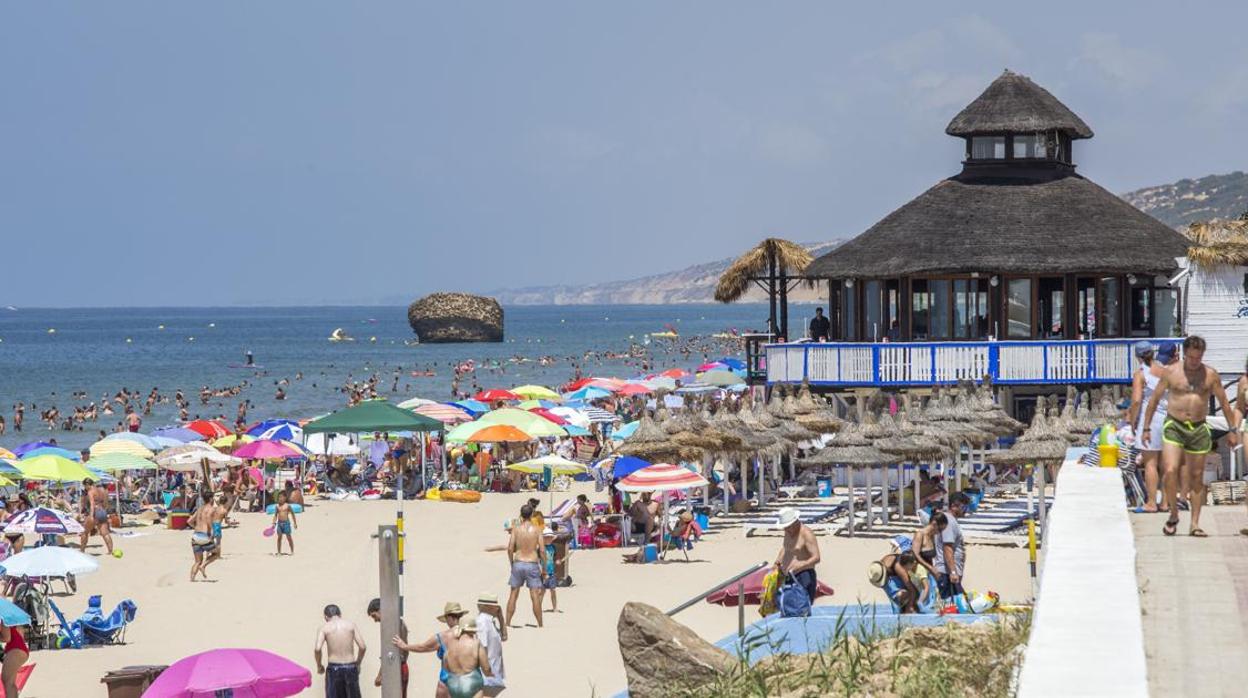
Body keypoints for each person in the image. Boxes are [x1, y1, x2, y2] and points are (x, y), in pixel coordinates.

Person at [1143, 335, 1241, 537]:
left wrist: (1233, 431)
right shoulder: (1171, 372)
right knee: (1170, 470)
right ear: (1184, 354)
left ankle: (1195, 523)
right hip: (1174, 425)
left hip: (1198, 428)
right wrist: (1145, 428)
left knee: (1197, 477)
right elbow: (1153, 401)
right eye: (1191, 358)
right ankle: (1173, 513)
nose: (1195, 362)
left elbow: (1224, 403)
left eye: (1198, 358)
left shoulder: (1210, 375)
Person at [1128, 341, 1174, 512]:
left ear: (1138, 357)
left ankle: (1152, 502)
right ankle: (1166, 503)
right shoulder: (1166, 372)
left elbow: (1137, 401)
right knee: (1166, 464)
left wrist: (1133, 421)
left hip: (1151, 420)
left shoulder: (1140, 374)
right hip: (1168, 419)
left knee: (1150, 463)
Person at [394, 601, 466, 698]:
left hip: (447, 679)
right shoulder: (470, 635)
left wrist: (404, 646)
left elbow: (423, 647)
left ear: (449, 617)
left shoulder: (443, 636)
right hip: (466, 680)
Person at [504, 504, 547, 629]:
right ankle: (540, 624)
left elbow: (510, 548)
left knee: (513, 594)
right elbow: (543, 551)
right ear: (532, 514)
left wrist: (512, 563)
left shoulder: (516, 529)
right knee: (534, 595)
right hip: (532, 562)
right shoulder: (537, 529)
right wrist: (543, 568)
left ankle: (508, 623)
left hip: (519, 562)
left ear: (521, 514)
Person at [315, 604, 367, 698]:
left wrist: (319, 665)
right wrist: (358, 663)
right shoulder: (351, 625)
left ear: (326, 616)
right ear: (340, 614)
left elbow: (317, 649)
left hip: (334, 668)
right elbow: (362, 647)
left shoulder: (324, 628)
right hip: (351, 666)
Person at [773, 507, 821, 604]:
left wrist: (801, 564)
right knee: (787, 607)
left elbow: (816, 557)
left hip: (803, 575)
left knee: (801, 607)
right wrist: (777, 562)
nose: (785, 529)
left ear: (795, 522)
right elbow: (785, 548)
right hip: (787, 576)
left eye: (787, 526)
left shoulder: (806, 534)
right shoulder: (788, 531)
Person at [367, 598, 409, 697]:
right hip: (400, 666)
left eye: (374, 616)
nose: (375, 620)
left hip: (396, 667)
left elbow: (391, 654)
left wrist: (380, 675)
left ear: (381, 610)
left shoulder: (393, 626)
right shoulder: (398, 623)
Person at [934, 493, 968, 599]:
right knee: (954, 604)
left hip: (950, 572)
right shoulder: (949, 521)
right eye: (964, 507)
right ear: (954, 506)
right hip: (946, 572)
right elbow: (947, 547)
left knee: (955, 603)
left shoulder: (951, 521)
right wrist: (953, 572)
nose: (966, 510)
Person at [475, 593, 507, 696]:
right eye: (496, 605)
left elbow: (504, 637)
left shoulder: (490, 621)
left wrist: (501, 618)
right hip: (487, 675)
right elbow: (481, 649)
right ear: (488, 606)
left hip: (493, 672)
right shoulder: (482, 623)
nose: (498, 607)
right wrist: (487, 672)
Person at [79, 478, 116, 557]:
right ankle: (110, 551)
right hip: (102, 511)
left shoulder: (90, 492)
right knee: (105, 533)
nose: (85, 488)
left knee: (85, 532)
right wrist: (104, 511)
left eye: (85, 486)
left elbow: (92, 504)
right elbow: (106, 502)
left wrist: (91, 516)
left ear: (87, 485)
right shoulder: (101, 490)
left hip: (95, 512)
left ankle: (82, 550)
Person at [188, 491, 219, 582]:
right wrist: (212, 533)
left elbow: (189, 521)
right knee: (216, 554)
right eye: (213, 498)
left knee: (197, 561)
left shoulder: (199, 509)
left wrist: (196, 528)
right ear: (210, 499)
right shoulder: (212, 509)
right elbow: (210, 522)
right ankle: (203, 566)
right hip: (205, 536)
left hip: (196, 535)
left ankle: (192, 579)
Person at [911, 512, 947, 578]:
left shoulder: (933, 536)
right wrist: (930, 568)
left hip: (928, 573)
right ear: (934, 524)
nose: (941, 532)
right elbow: (915, 555)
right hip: (919, 574)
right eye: (940, 529)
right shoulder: (920, 535)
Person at [0, 619, 29, 698]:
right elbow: (20, 633)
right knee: (10, 682)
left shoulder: (3, 619)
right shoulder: (12, 619)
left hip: (15, 649)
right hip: (20, 649)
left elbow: (7, 638)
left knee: (8, 681)